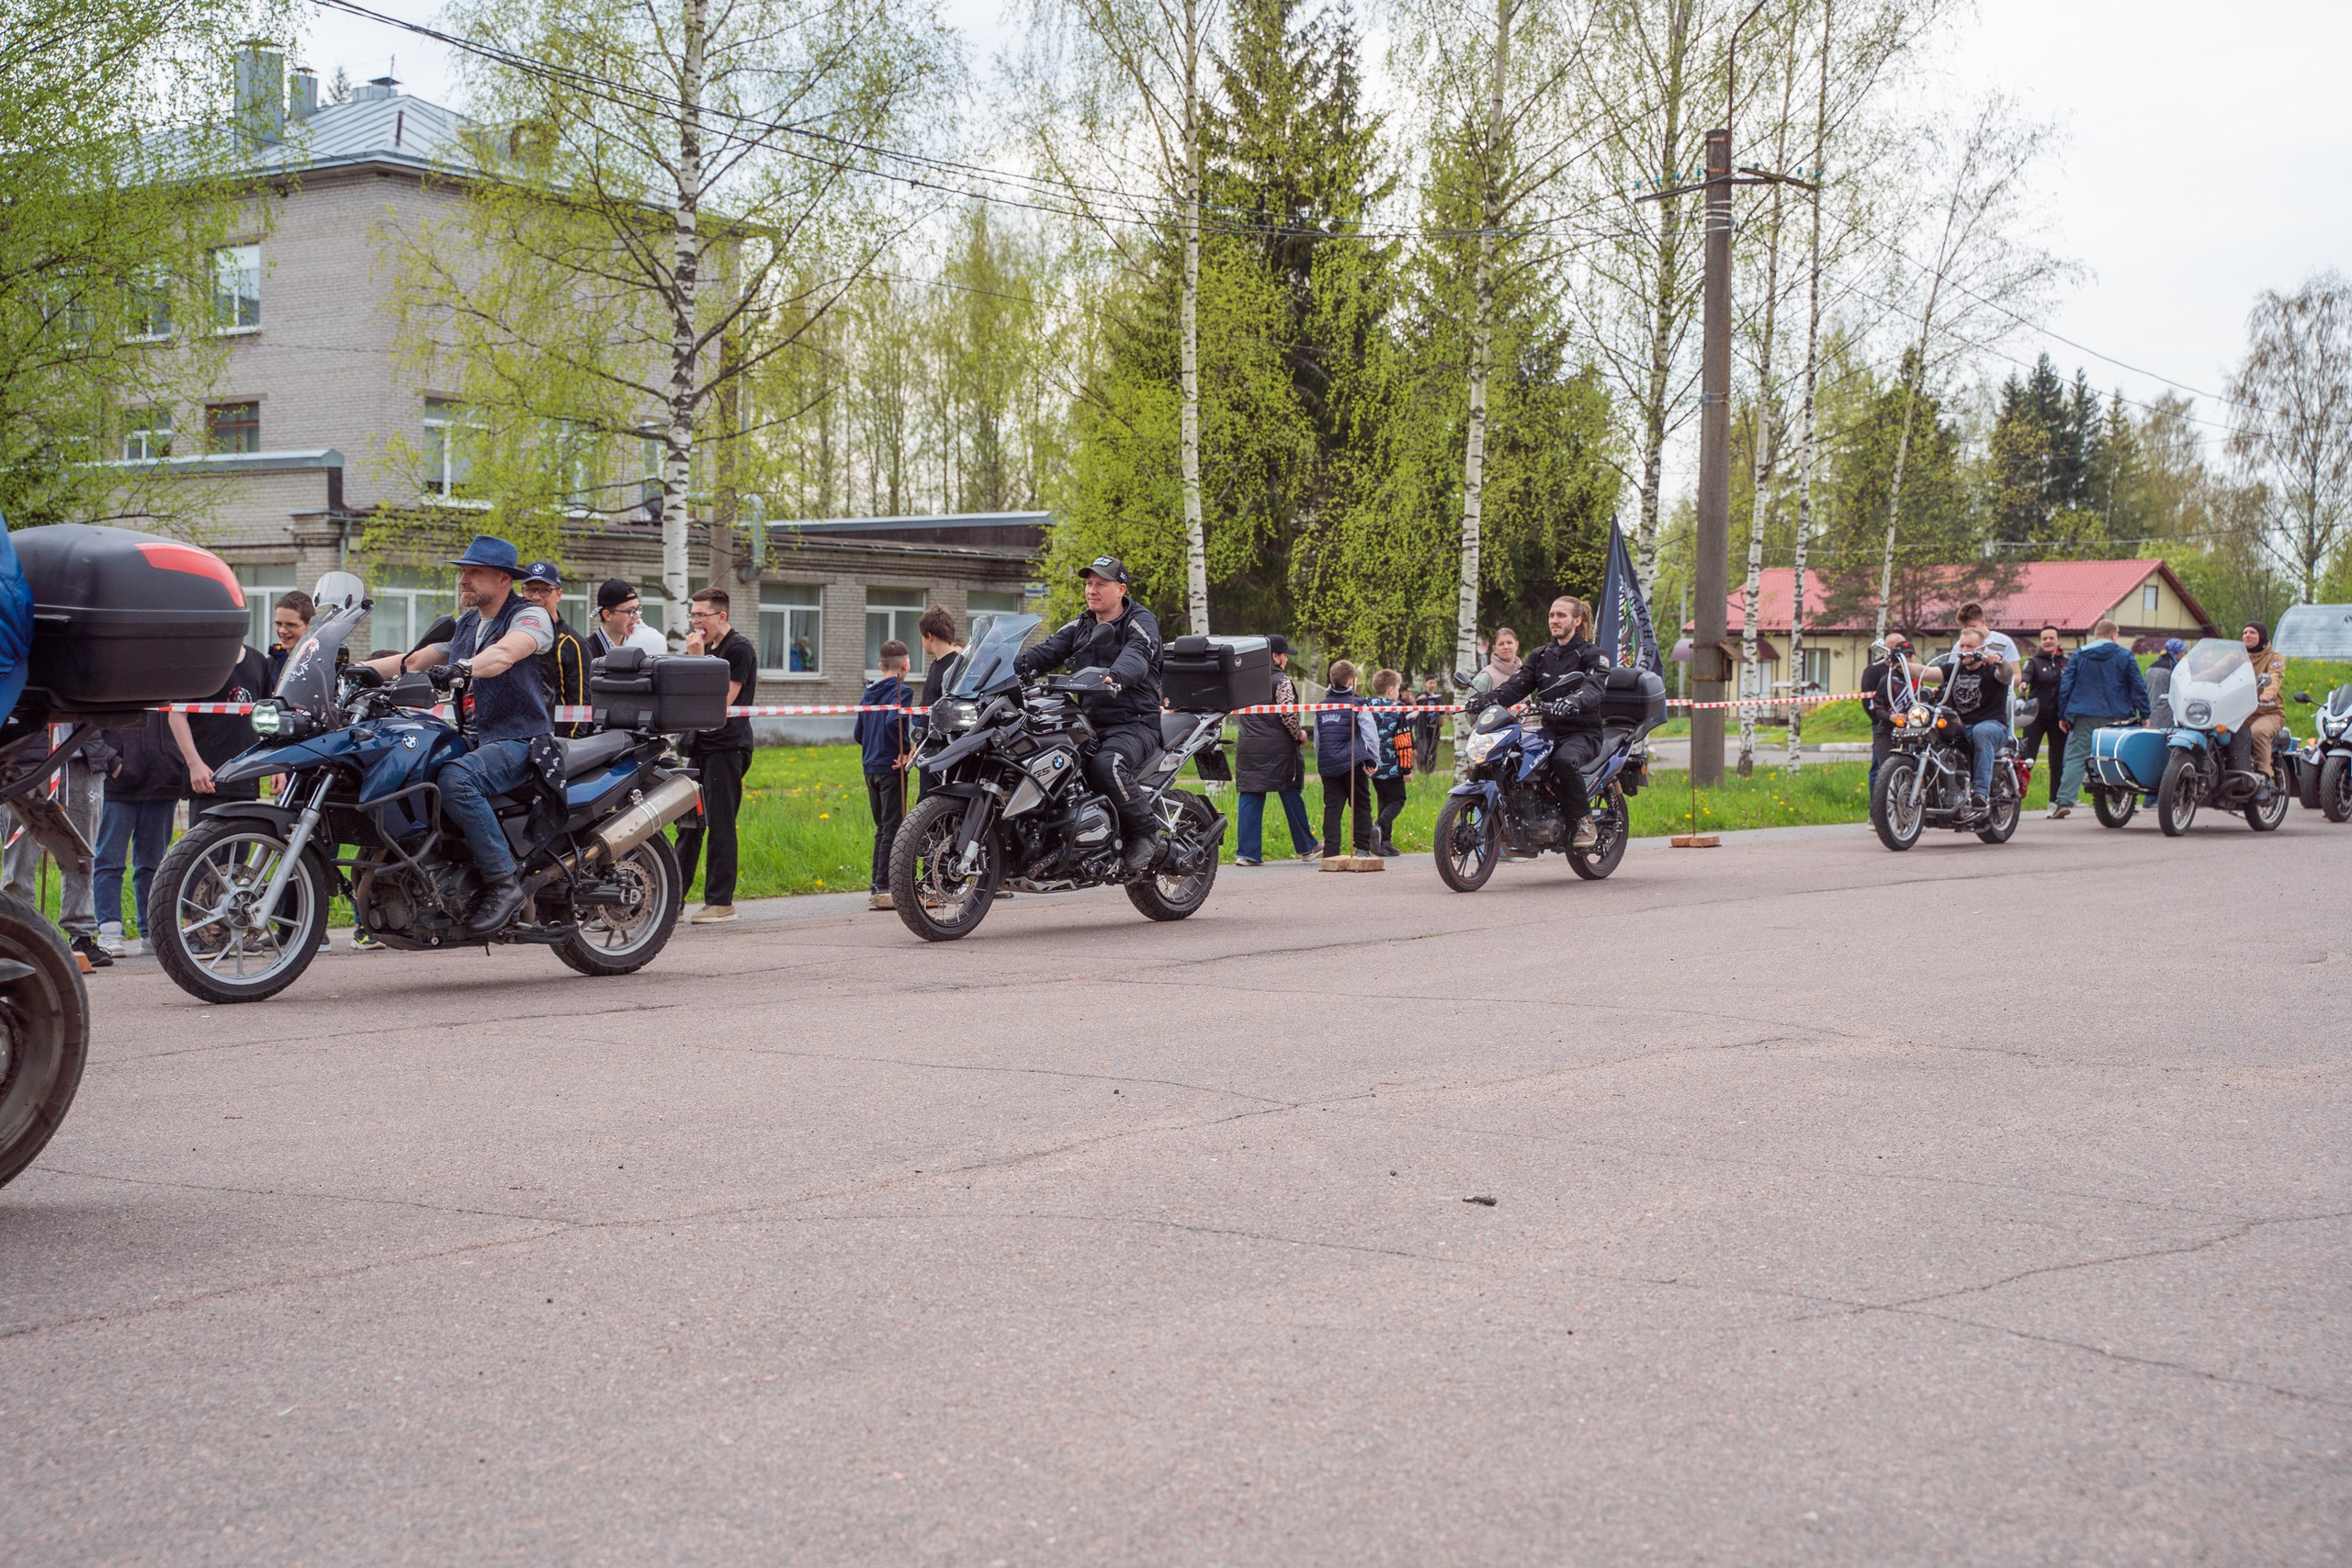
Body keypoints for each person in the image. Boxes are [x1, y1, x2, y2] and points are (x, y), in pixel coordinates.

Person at [361, 535, 556, 937]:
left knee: (457, 778)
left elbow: (505, 653)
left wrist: (463, 668)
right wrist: (351, 668)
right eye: (463, 571)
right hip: (476, 739)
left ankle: (505, 885)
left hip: (521, 741)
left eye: (475, 572)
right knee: (412, 771)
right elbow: (413, 661)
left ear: (503, 579)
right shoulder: (468, 623)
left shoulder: (529, 617)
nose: (464, 579)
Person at [1012, 556, 1166, 871]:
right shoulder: (1081, 624)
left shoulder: (1140, 621)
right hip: (1090, 722)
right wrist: (1003, 669)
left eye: (1100, 584)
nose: (1091, 590)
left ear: (1121, 589)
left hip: (1134, 723)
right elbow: (1047, 651)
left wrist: (1116, 676)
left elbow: (1138, 654)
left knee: (1107, 765)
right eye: (1088, 583)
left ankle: (1146, 833)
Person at [1476, 597, 1610, 851]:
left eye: (1561, 615)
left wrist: (1573, 702)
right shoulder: (1540, 655)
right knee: (1514, 757)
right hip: (1548, 731)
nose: (1554, 620)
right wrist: (1487, 699)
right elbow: (1517, 685)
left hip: (1582, 732)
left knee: (1563, 760)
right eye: (1551, 615)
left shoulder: (1594, 655)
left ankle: (1584, 820)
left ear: (1577, 621)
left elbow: (1594, 688)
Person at [674, 587, 759, 924]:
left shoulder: (737, 649)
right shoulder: (706, 646)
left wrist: (697, 660)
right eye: (693, 615)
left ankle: (721, 901)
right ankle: (673, 899)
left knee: (720, 823)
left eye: (701, 615)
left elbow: (721, 702)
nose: (696, 621)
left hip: (727, 747)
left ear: (721, 616)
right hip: (700, 745)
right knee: (688, 825)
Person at [6, 732, 114, 969]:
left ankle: (81, 935)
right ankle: (18, 936)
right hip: (27, 761)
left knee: (83, 854)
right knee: (19, 857)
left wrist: (112, 753)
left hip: (82, 759)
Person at [93, 711, 187, 957]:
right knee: (109, 861)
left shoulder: (175, 675)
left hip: (164, 781)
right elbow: (86, 727)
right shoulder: (113, 675)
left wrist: (177, 761)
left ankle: (150, 932)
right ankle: (110, 930)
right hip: (117, 787)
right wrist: (112, 762)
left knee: (153, 865)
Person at [2048, 616, 2150, 819]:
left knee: (2077, 757)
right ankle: (2120, 799)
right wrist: (2144, 713)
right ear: (2114, 635)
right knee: (2117, 757)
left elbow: (2066, 685)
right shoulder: (2124, 655)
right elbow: (2137, 685)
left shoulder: (2079, 655)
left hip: (2084, 715)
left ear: (2096, 636)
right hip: (2117, 716)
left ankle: (2063, 802)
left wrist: (2063, 715)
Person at [1235, 634, 1318, 865]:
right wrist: (1299, 734)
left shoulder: (1245, 679)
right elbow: (1287, 712)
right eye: (1284, 655)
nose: (1287, 660)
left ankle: (1247, 853)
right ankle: (1306, 846)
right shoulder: (1280, 680)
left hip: (1249, 746)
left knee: (1251, 794)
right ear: (1275, 656)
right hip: (1278, 749)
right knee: (1290, 792)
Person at [856, 641, 912, 909]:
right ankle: (885, 888)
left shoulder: (868, 694)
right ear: (905, 665)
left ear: (880, 666)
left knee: (882, 828)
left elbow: (858, 733)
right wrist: (904, 748)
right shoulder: (903, 691)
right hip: (891, 767)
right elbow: (894, 721)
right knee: (894, 827)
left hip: (870, 767)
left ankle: (876, 885)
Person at [1939, 627, 2013, 812]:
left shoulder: (1991, 670)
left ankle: (1980, 792)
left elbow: (2006, 674)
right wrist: (1900, 663)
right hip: (1961, 726)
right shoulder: (1954, 669)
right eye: (1961, 645)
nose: (1964, 650)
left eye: (1969, 646)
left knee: (1982, 731)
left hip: (1992, 725)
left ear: (1981, 649)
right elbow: (1926, 671)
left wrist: (2000, 661)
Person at [516, 561, 591, 739]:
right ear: (522, 592)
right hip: (517, 737)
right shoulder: (511, 635)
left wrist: (572, 746)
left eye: (544, 590)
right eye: (530, 590)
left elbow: (581, 702)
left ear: (558, 594)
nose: (536, 597)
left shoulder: (572, 643)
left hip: (557, 743)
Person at [1315, 660, 1379, 856]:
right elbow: (1370, 734)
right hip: (1353, 763)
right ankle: (1362, 848)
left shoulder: (1321, 706)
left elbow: (1318, 739)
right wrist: (1373, 758)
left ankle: (1331, 851)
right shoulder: (1357, 704)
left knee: (1332, 808)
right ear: (1352, 682)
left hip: (1328, 765)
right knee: (1360, 805)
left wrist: (1321, 760)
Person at [1859, 633, 1923, 799]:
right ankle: (1876, 810)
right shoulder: (1878, 673)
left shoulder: (1917, 677)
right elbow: (1871, 703)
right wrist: (1887, 718)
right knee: (1882, 768)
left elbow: (1920, 700)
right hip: (1885, 726)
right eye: (1902, 654)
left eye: (1910, 656)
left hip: (1910, 728)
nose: (1907, 659)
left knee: (1912, 764)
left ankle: (1908, 803)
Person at [1454, 626, 1521, 783]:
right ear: (1494, 648)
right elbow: (1470, 712)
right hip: (1491, 745)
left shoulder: (1525, 675)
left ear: (1517, 645)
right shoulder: (1486, 676)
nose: (1506, 647)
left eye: (1509, 642)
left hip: (1520, 742)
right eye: (1501, 644)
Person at [913, 604, 966, 796]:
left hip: (943, 753)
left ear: (928, 636)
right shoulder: (936, 665)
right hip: (928, 748)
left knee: (933, 806)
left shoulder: (955, 667)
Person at [2016, 626, 2068, 803]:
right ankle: (2015, 798)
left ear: (2058, 640)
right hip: (2035, 717)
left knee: (2057, 762)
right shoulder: (2033, 662)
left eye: (2051, 638)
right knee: (2027, 759)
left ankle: (2055, 801)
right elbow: (2026, 675)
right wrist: (2023, 683)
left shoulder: (2066, 663)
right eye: (2044, 638)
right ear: (2040, 641)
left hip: (2058, 718)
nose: (2048, 641)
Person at [1367, 668, 1414, 858]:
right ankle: (1379, 827)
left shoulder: (1367, 707)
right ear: (1391, 689)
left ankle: (1384, 842)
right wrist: (1406, 769)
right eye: (1398, 689)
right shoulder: (1396, 711)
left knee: (1384, 800)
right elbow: (1403, 743)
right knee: (1398, 800)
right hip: (1393, 767)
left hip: (1373, 766)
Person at [2242, 621, 2286, 782]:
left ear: (2262, 636)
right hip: (2241, 713)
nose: (2247, 635)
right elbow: (2218, 670)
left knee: (2258, 732)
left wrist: (2268, 693)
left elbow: (2275, 676)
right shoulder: (2237, 656)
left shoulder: (2273, 658)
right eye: (2245, 632)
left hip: (2269, 712)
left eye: (2252, 632)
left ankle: (2264, 777)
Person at [587, 578, 667, 660]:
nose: (637, 616)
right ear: (607, 615)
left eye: (637, 609)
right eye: (630, 611)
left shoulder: (640, 645)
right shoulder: (586, 651)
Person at [264, 591, 314, 690]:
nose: (282, 631)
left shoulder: (325, 666)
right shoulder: (267, 666)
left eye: (291, 625)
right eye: (278, 624)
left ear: (310, 626)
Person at [1953, 602, 2019, 664]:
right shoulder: (1959, 646)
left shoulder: (2004, 642)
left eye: (1972, 627)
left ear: (1983, 621)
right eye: (1965, 628)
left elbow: (2016, 675)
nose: (1970, 631)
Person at [2146, 637, 2186, 728]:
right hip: (2168, 721)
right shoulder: (2175, 669)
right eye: (2183, 652)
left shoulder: (2152, 667)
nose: (2184, 655)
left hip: (2151, 716)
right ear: (2177, 653)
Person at [1413, 675, 1445, 775]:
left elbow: (1442, 713)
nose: (1432, 685)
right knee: (1423, 752)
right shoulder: (1420, 696)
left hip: (1434, 729)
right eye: (1430, 682)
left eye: (1434, 683)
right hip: (1422, 730)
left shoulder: (1438, 698)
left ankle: (1430, 772)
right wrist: (1419, 700)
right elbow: (1413, 711)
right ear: (1425, 683)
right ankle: (1422, 772)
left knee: (1433, 752)